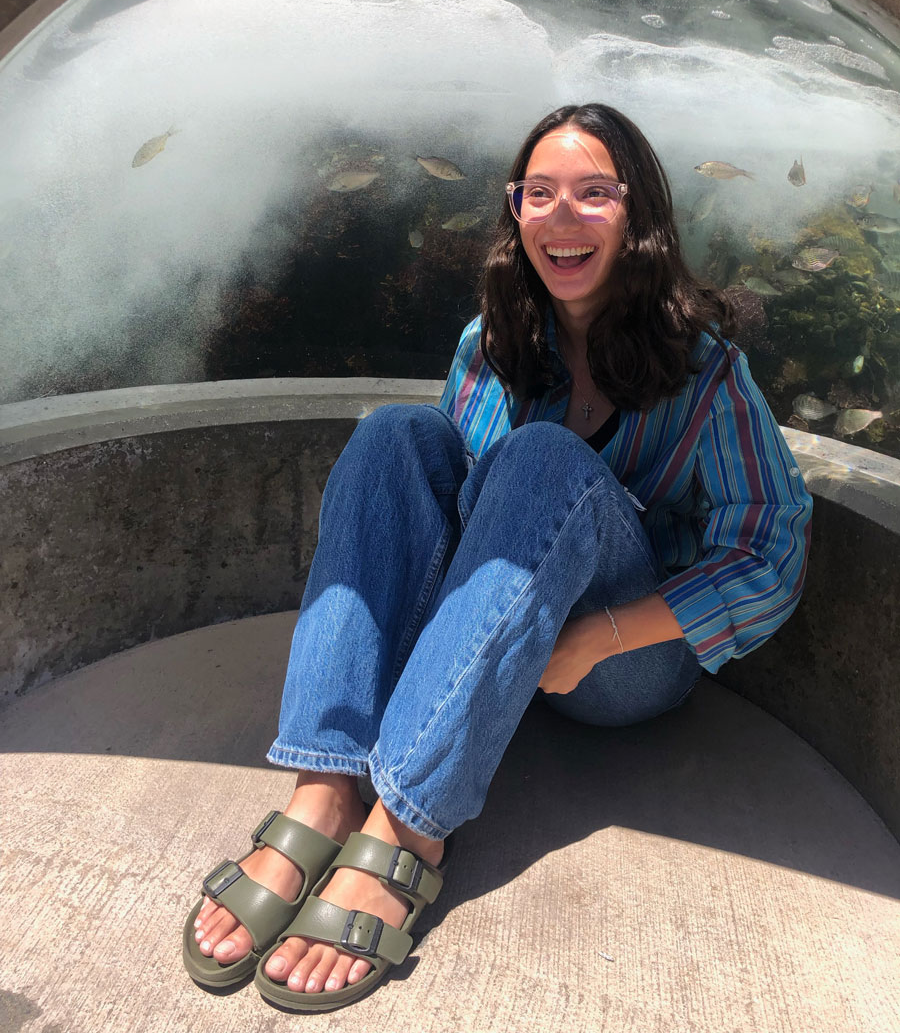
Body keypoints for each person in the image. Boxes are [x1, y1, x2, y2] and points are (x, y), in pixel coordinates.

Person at [182, 102, 813, 1011]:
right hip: (508, 649)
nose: (563, 216)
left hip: (625, 662)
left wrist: (598, 636)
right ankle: (322, 788)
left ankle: (407, 827)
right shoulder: (492, 343)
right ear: (515, 213)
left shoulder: (706, 370)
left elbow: (771, 548)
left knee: (543, 456)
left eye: (594, 193)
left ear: (639, 214)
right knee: (397, 436)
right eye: (539, 194)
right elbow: (461, 512)